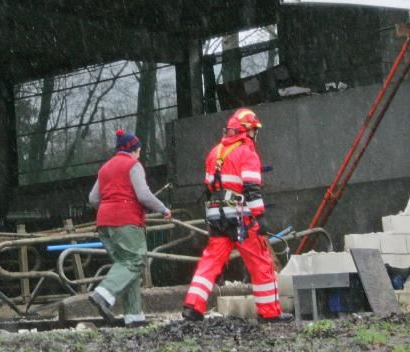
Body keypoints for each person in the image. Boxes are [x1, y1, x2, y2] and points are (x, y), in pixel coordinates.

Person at [181, 108, 292, 323]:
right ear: (248, 131)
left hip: (217, 216)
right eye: (254, 131)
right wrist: (260, 216)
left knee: (210, 262)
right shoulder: (246, 153)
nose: (255, 135)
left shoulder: (215, 152)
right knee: (261, 262)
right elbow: (251, 188)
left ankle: (192, 307)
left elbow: (209, 185)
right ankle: (269, 312)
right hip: (242, 219)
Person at [86, 128, 172, 327]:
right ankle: (103, 293)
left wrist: (110, 206)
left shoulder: (105, 168)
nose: (139, 155)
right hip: (125, 221)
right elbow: (143, 194)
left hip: (104, 223)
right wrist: (162, 208)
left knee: (127, 267)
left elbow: (92, 199)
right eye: (139, 151)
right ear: (133, 150)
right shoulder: (133, 165)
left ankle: (134, 317)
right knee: (135, 261)